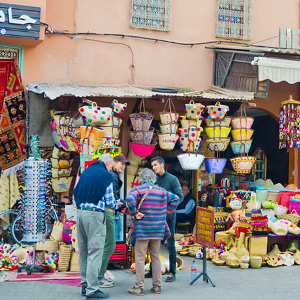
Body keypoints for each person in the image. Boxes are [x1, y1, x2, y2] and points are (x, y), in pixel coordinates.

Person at [74, 154, 121, 299]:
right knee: (95, 252)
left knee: (83, 250)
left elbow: (75, 191)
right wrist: (118, 204)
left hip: (80, 213)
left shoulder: (87, 171)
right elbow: (110, 201)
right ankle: (92, 289)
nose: (110, 169)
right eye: (110, 166)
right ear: (107, 163)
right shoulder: (106, 175)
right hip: (94, 215)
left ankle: (84, 285)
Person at [126, 168, 179, 296]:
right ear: (153, 178)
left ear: (141, 179)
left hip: (142, 230)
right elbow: (176, 199)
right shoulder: (162, 191)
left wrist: (134, 213)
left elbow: (130, 200)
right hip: (158, 229)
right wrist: (165, 212)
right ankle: (157, 286)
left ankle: (139, 287)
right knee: (155, 257)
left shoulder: (137, 190)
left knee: (140, 258)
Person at [150, 156, 183, 282]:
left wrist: (169, 209)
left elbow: (180, 196)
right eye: (152, 166)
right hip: (155, 216)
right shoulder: (153, 179)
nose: (154, 168)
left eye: (155, 165)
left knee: (170, 243)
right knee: (153, 243)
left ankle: (172, 272)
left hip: (169, 217)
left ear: (162, 165)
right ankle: (152, 270)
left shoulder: (172, 179)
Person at [98, 155, 130, 288]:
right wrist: (122, 204)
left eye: (124, 164)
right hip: (108, 213)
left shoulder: (112, 176)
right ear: (113, 163)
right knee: (109, 245)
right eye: (120, 163)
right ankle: (99, 277)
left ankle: (98, 274)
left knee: (104, 245)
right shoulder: (113, 176)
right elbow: (113, 198)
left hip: (104, 213)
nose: (123, 166)